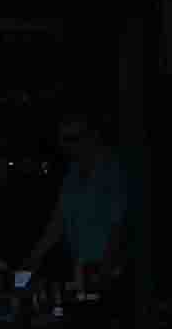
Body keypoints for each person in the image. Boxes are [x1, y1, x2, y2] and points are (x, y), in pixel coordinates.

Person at [25, 112, 133, 285]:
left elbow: (120, 225)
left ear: (92, 136)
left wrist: (107, 267)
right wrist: (33, 259)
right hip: (82, 268)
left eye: (72, 138)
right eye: (63, 140)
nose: (66, 146)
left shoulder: (113, 171)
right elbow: (58, 222)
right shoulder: (72, 175)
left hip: (112, 270)